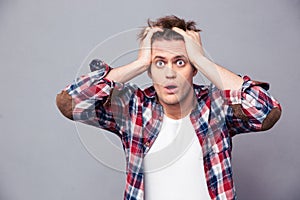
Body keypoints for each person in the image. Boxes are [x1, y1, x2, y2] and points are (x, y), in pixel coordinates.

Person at [56, 15, 281, 200]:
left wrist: (202, 60)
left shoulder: (217, 105)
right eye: (159, 62)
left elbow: (266, 111)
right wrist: (140, 62)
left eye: (180, 62)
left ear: (193, 69)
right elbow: (71, 103)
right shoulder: (132, 107)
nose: (170, 73)